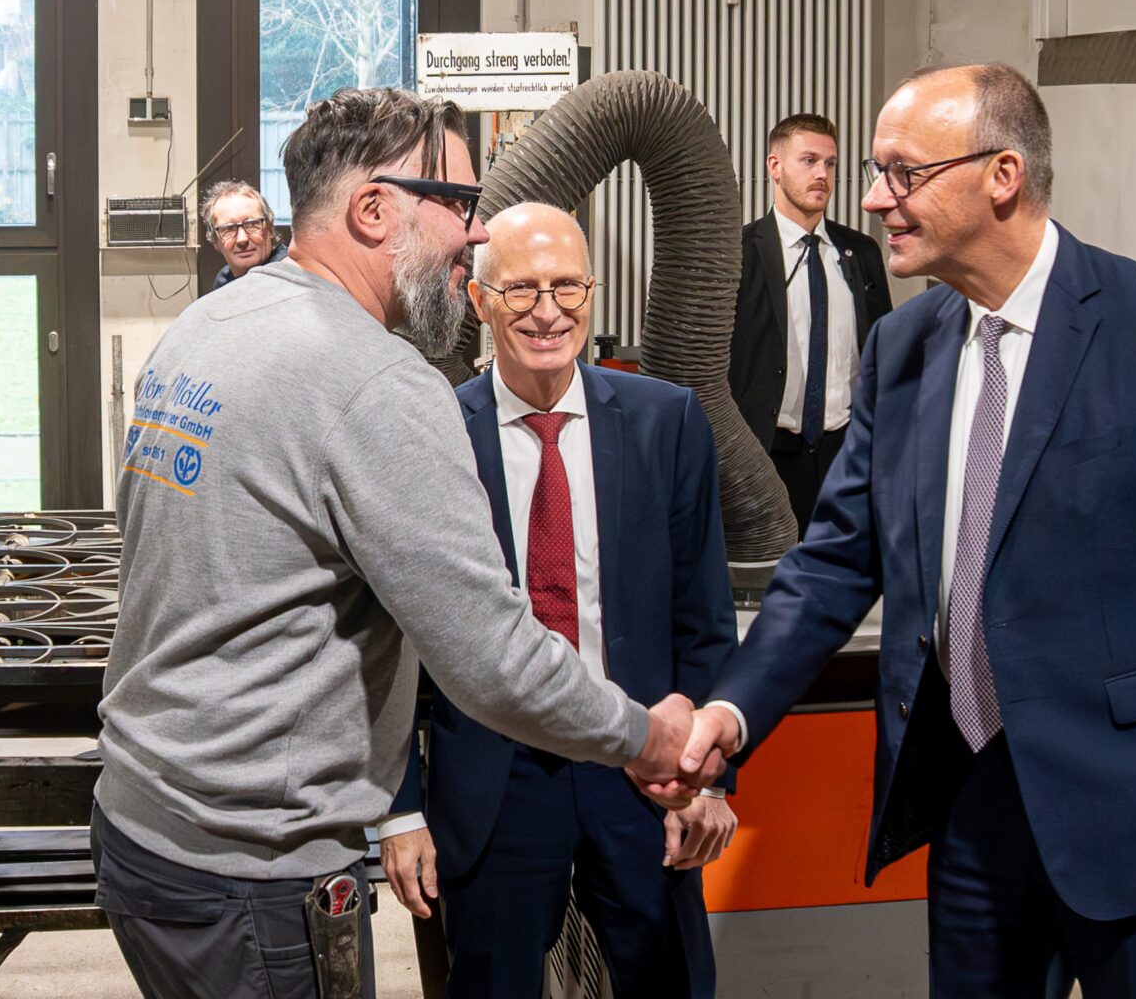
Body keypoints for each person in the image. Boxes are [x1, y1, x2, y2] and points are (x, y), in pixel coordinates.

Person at [670, 65, 1136, 997]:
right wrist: (729, 716)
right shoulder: (907, 349)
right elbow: (831, 567)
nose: (870, 197)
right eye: (873, 170)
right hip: (969, 792)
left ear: (1002, 175)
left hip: (1134, 805)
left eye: (901, 173)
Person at [92, 89, 696, 999]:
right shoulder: (376, 382)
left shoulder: (207, 326)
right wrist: (646, 736)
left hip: (144, 824)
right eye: (455, 203)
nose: (475, 235)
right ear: (375, 210)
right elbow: (490, 658)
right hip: (250, 861)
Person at [383, 203, 737, 998]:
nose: (548, 312)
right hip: (496, 782)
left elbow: (703, 620)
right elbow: (396, 640)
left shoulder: (665, 423)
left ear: (592, 294)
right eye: (522, 290)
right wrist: (401, 809)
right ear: (478, 301)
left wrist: (708, 779)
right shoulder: (436, 432)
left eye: (568, 287)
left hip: (643, 771)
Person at [728, 113, 891, 535]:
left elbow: (880, 351)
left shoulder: (862, 253)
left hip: (845, 453)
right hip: (767, 454)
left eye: (830, 163)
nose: (822, 174)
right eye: (809, 161)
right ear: (774, 167)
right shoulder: (738, 255)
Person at [202, 179, 287, 287]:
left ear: (269, 229)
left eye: (252, 225)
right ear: (215, 241)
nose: (242, 239)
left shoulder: (290, 273)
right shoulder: (224, 280)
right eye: (229, 229)